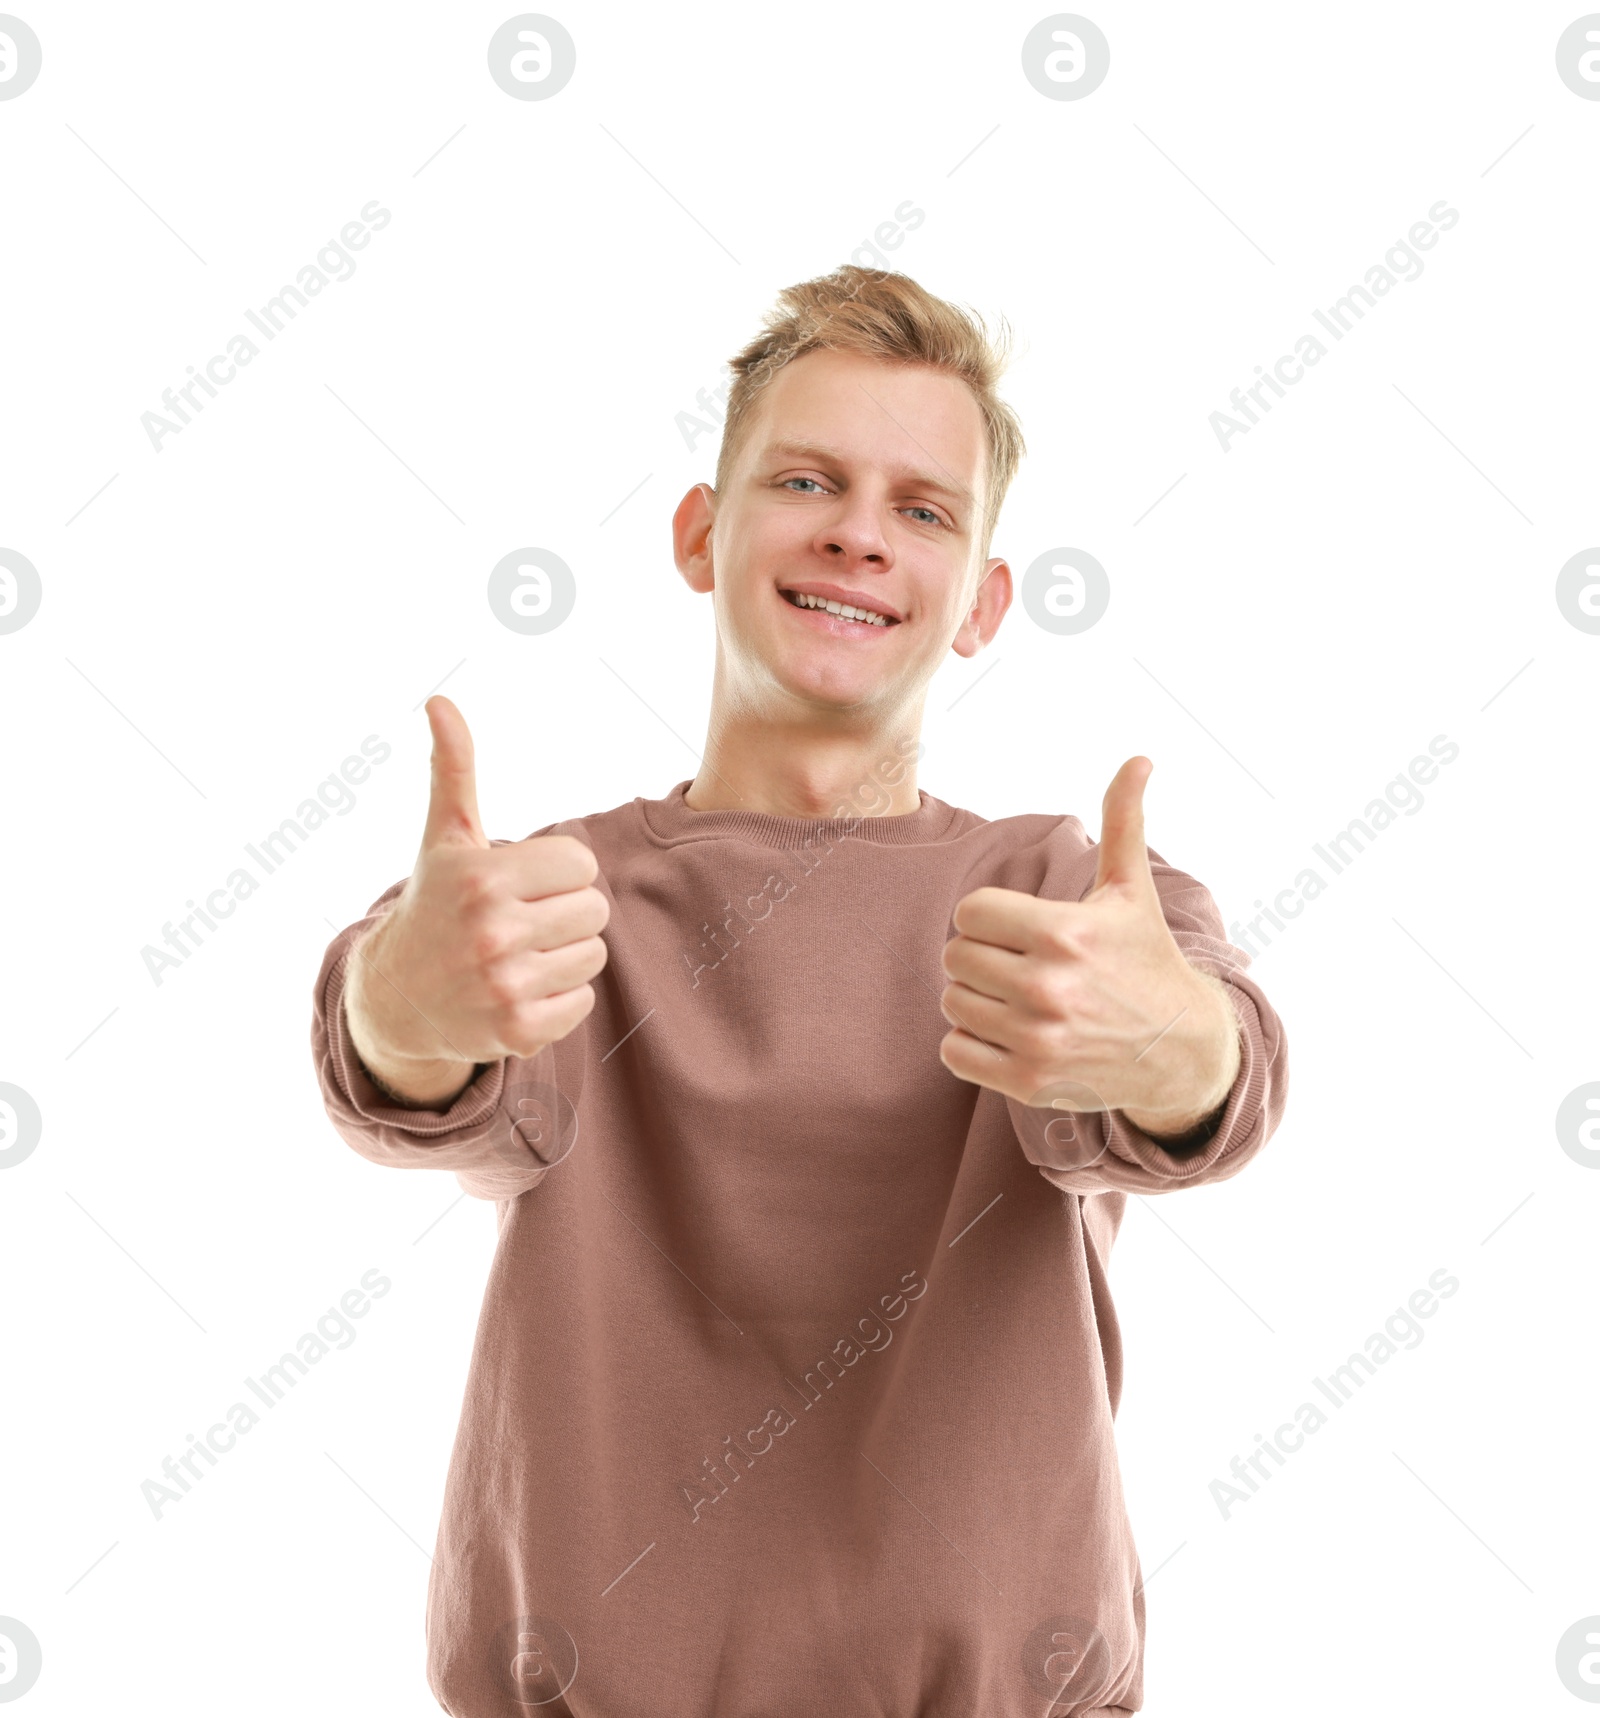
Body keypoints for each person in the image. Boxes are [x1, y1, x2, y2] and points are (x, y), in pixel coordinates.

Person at [311, 264, 1289, 1717]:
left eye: (924, 508)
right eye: (809, 478)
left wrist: (1178, 1049)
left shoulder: (1067, 900)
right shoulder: (555, 901)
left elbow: (1216, 1076)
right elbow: (411, 1066)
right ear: (702, 534)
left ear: (981, 603)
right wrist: (401, 1009)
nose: (858, 533)